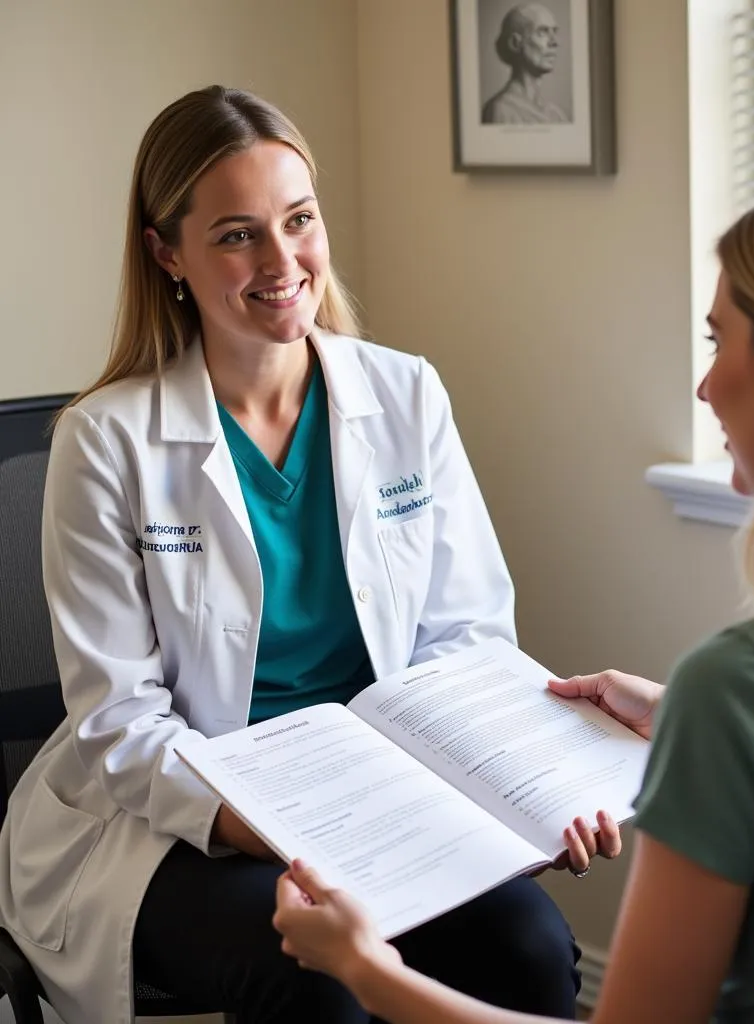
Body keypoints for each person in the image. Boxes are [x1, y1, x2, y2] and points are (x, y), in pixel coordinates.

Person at [272, 176, 754, 1024]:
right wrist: (682, 719)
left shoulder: (748, 692)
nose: (706, 389)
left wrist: (364, 965)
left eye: (720, 341)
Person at [0, 86, 620, 1024]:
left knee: (531, 951)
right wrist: (274, 824)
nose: (284, 261)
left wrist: (504, 794)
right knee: (314, 980)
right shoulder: (108, 439)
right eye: (237, 234)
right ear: (167, 252)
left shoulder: (405, 393)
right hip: (187, 817)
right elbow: (118, 724)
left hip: (385, 802)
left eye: (299, 220)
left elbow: (468, 638)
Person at [482, 4, 569, 125]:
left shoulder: (557, 115)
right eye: (542, 32)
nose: (554, 42)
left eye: (554, 31)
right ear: (515, 43)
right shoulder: (500, 110)